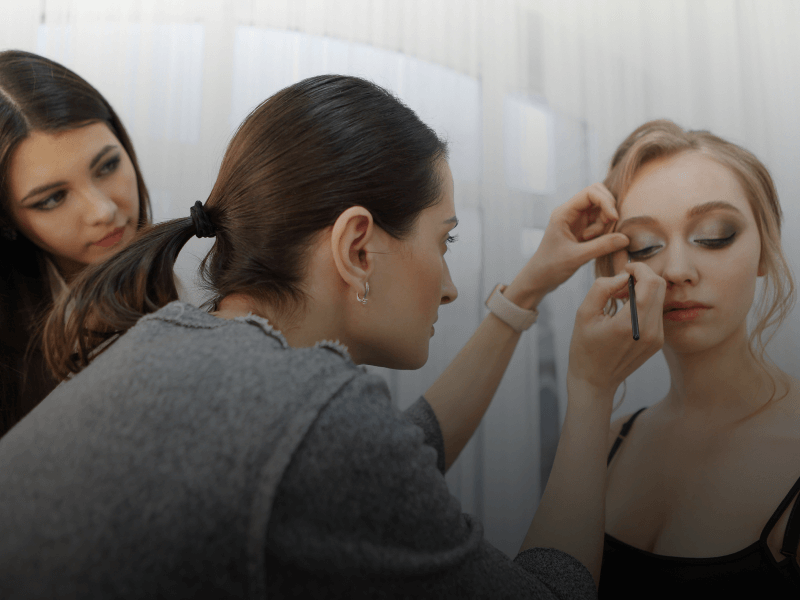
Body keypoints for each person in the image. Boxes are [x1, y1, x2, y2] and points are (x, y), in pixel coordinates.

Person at [0, 75, 664, 598]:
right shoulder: (310, 417)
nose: (451, 286)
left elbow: (383, 472)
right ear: (355, 245)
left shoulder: (171, 341)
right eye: (445, 240)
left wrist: (527, 289)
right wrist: (591, 391)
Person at [596, 120, 800, 597]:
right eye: (643, 246)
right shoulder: (604, 441)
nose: (677, 271)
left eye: (714, 235)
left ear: (765, 252)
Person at [0, 49, 151, 435]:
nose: (102, 210)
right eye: (52, 198)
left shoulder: (159, 274)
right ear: (7, 220)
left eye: (107, 166)